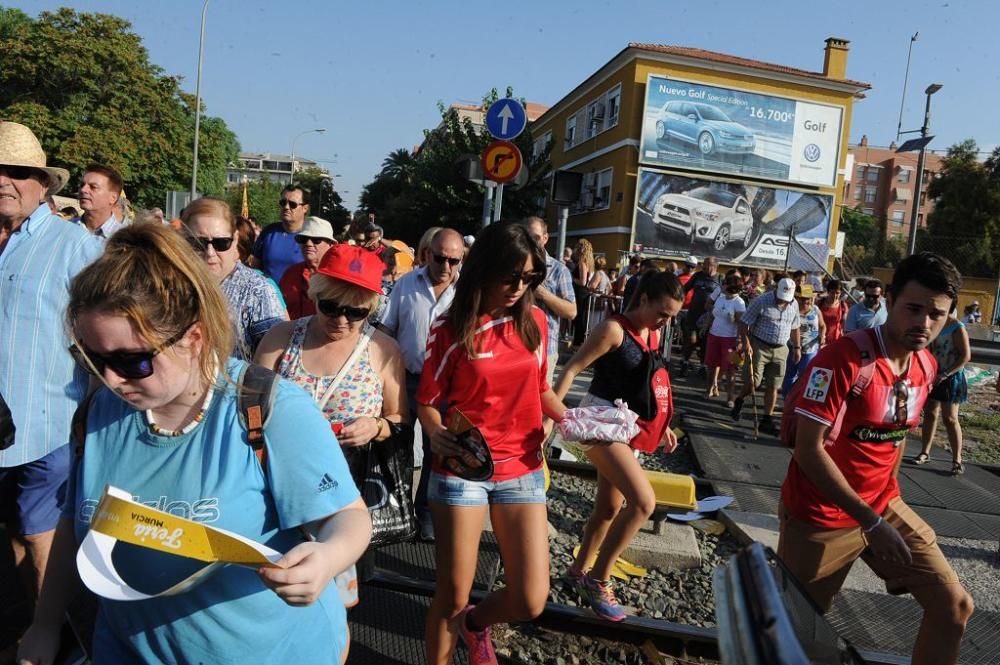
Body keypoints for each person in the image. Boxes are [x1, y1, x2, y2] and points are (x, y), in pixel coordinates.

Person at [17, 222, 370, 665]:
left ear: (194, 337)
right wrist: (46, 623)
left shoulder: (269, 409)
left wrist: (326, 557)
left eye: (132, 360)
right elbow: (73, 525)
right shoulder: (97, 411)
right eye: (92, 357)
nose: (109, 379)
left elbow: (349, 519)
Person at [778, 252, 973, 665]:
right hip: (821, 517)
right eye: (914, 309)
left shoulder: (926, 365)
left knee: (953, 607)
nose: (924, 323)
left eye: (937, 315)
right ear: (890, 301)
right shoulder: (842, 358)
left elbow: (897, 437)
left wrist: (885, 505)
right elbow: (808, 449)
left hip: (882, 508)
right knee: (794, 640)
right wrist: (872, 521)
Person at [416, 222, 567, 665]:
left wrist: (575, 418)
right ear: (483, 270)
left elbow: (542, 391)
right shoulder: (451, 328)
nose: (520, 287)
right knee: (453, 592)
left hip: (522, 466)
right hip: (463, 468)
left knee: (531, 597)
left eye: (530, 278)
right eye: (511, 276)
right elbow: (427, 399)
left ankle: (477, 625)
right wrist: (432, 429)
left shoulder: (535, 322)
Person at [255, 243, 406, 595]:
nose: (341, 321)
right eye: (330, 307)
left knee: (338, 598)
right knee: (272, 583)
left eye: (355, 313)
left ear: (370, 308)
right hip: (277, 485)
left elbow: (399, 417)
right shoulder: (283, 337)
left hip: (345, 496)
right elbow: (249, 407)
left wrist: (377, 426)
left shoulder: (383, 350)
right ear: (316, 295)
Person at [0, 122, 103, 620]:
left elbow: (111, 328)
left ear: (44, 184)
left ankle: (53, 635)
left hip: (46, 426)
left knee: (40, 532)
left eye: (17, 172)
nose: (4, 180)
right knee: (17, 533)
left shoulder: (74, 245)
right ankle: (33, 626)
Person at [553, 270, 682, 621]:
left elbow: (650, 382)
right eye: (662, 313)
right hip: (600, 421)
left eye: (671, 316)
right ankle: (599, 580)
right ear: (642, 299)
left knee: (609, 509)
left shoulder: (652, 332)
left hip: (627, 426)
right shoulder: (613, 329)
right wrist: (554, 421)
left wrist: (664, 424)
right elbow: (571, 370)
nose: (665, 322)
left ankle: (576, 573)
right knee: (643, 503)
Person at [380, 228, 464, 540]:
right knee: (397, 447)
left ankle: (425, 516)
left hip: (446, 387)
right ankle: (395, 513)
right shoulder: (405, 284)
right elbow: (387, 330)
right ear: (428, 254)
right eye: (440, 258)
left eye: (454, 260)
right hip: (406, 380)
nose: (446, 266)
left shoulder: (468, 292)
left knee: (436, 451)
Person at [182, 197, 287, 360]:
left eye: (221, 243)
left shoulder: (258, 291)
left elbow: (275, 361)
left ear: (235, 239)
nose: (210, 253)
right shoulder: (168, 285)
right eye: (199, 243)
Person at [731, 278, 801, 435]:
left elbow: (795, 327)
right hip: (759, 345)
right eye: (781, 297)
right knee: (754, 382)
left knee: (774, 385)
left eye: (786, 298)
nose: (783, 301)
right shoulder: (761, 301)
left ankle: (766, 419)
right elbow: (744, 322)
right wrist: (746, 342)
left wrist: (797, 347)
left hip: (781, 348)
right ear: (777, 289)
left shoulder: (794, 304)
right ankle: (740, 399)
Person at [913, 308, 971, 475]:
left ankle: (957, 459)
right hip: (934, 374)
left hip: (952, 377)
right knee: (930, 413)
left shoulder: (957, 327)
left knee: (950, 418)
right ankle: (925, 451)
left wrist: (946, 374)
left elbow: (965, 356)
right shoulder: (933, 324)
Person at [525, 217, 577, 385]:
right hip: (514, 346)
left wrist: (544, 294)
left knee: (538, 405)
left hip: (545, 350)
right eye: (527, 236)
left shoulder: (559, 270)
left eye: (536, 237)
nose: (531, 242)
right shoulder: (514, 266)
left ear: (545, 238)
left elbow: (571, 311)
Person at [278, 216, 338, 320]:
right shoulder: (290, 273)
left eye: (316, 240)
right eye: (304, 239)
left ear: (331, 245)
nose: (308, 244)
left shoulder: (339, 278)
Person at [252, 184, 309, 283]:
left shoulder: (311, 237)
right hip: (268, 296)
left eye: (292, 204)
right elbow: (254, 268)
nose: (286, 207)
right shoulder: (268, 232)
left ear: (305, 208)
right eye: (283, 203)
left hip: (297, 297)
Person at [705, 272, 747, 405]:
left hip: (730, 339)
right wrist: (705, 326)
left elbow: (742, 323)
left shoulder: (739, 302)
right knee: (712, 365)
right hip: (714, 335)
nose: (722, 285)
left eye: (725, 283)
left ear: (731, 287)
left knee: (730, 369)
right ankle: (711, 388)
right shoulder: (720, 298)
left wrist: (740, 340)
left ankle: (730, 397)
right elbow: (713, 315)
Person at [781, 284, 826, 396]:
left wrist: (823, 335)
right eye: (803, 298)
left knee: (805, 375)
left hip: (810, 348)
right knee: (790, 375)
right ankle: (787, 400)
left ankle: (798, 400)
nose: (805, 301)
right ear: (797, 298)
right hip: (793, 347)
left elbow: (822, 325)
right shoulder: (791, 309)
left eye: (808, 298)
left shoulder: (815, 309)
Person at [680, 256, 720, 377]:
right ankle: (685, 363)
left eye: (707, 265)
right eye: (703, 264)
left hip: (708, 316)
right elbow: (685, 288)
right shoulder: (697, 276)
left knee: (704, 343)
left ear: (714, 266)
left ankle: (703, 366)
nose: (703, 266)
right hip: (693, 313)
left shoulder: (720, 279)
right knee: (691, 340)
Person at [76, 163, 124, 239]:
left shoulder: (123, 239)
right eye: (82, 185)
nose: (83, 190)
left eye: (93, 187)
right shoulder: (65, 228)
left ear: (113, 198)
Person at [571, 239, 595, 346]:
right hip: (582, 293)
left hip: (580, 292)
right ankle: (579, 341)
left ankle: (578, 342)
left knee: (579, 318)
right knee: (581, 318)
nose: (578, 248)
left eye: (580, 246)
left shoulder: (582, 262)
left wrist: (571, 278)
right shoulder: (588, 262)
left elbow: (583, 281)